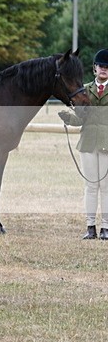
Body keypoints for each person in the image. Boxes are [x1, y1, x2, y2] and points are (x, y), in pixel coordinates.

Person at [60, 48, 108, 240]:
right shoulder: (85, 90)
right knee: (90, 186)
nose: (104, 69)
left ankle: (106, 227)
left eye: (107, 67)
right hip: (88, 142)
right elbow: (81, 118)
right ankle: (90, 226)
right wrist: (68, 118)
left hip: (106, 143)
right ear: (94, 68)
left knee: (105, 186)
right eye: (101, 66)